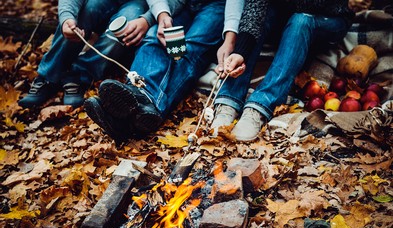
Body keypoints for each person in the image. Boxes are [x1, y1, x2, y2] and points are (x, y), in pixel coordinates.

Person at [84, 0, 244, 143]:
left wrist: (230, 39)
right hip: (179, 3)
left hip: (219, 6)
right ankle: (139, 103)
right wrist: (162, 15)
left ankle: (131, 114)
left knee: (188, 50)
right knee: (153, 37)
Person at [210, 0, 356, 142]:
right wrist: (241, 52)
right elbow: (255, 7)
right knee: (261, 16)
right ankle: (229, 99)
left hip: (328, 16)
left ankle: (260, 106)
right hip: (285, 13)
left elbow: (310, 5)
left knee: (300, 20)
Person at [18, 0, 153, 109]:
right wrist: (66, 18)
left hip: (141, 5)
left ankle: (78, 76)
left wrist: (147, 19)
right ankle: (48, 76)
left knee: (126, 27)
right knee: (83, 12)